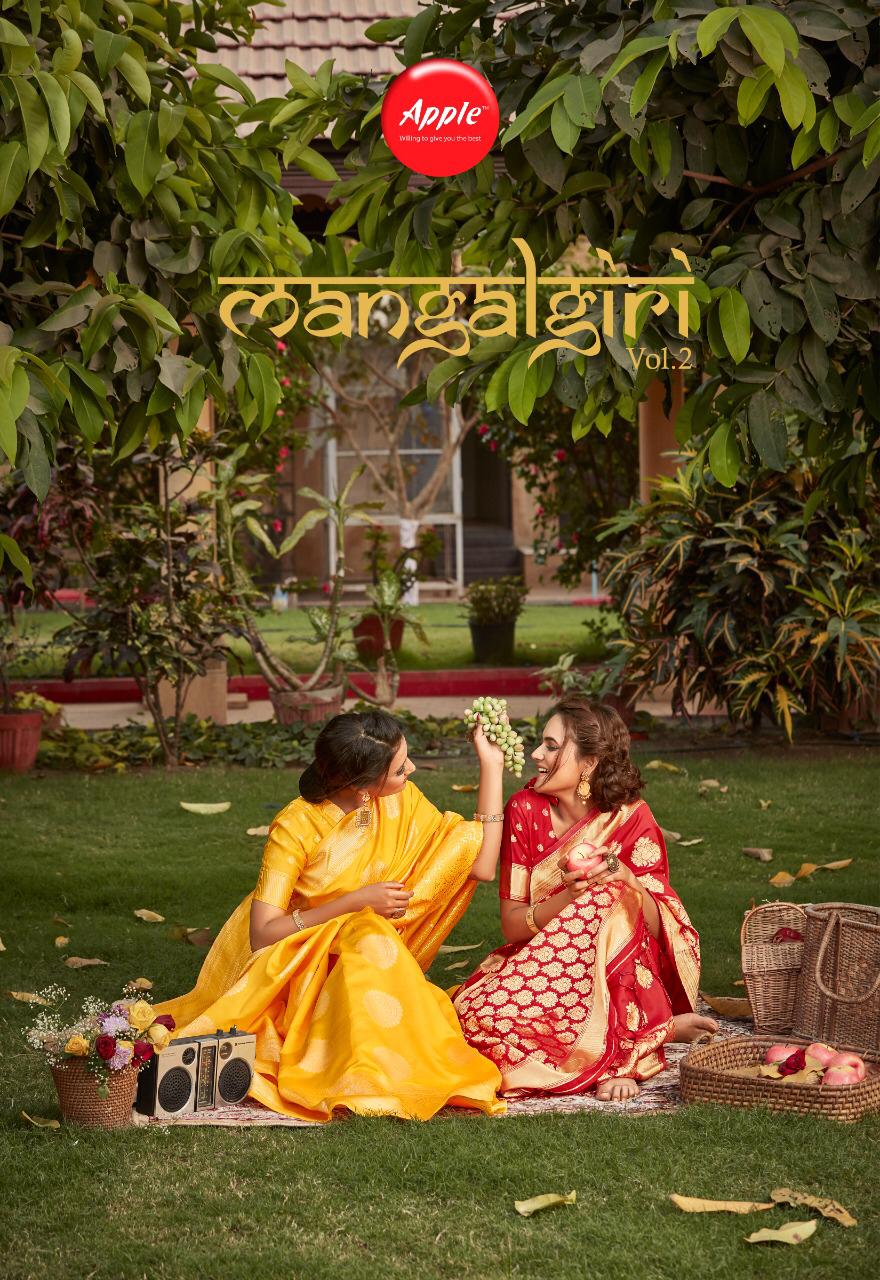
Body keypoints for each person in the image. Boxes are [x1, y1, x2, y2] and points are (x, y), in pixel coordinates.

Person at [153, 708, 509, 1122]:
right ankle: (360, 1075)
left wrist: (491, 766)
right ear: (361, 786)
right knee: (367, 934)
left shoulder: (399, 801)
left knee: (369, 936)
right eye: (399, 769)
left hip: (370, 953)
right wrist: (354, 904)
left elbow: (480, 863)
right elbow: (263, 933)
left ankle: (387, 1070)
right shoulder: (295, 826)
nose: (411, 769)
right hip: (299, 958)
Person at [453, 696, 717, 1102]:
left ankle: (625, 1055)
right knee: (477, 1020)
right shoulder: (525, 810)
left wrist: (627, 879)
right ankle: (657, 1030)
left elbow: (661, 926)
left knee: (612, 894)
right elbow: (512, 926)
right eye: (541, 743)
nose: (536, 754)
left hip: (622, 973)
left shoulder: (631, 818)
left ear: (589, 763)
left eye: (551, 746)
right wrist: (568, 898)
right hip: (547, 966)